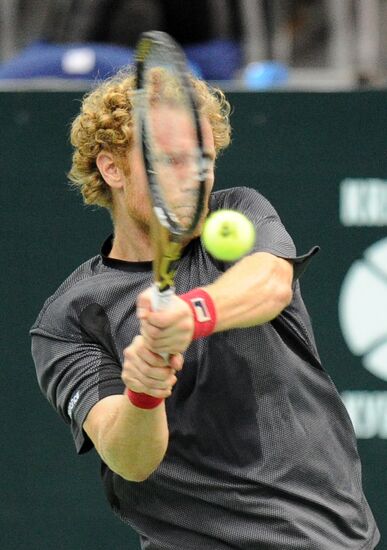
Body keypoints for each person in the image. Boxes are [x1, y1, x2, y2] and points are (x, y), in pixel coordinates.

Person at [31, 68, 380, 550]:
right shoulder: (67, 320)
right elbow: (129, 458)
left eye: (203, 161)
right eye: (170, 161)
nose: (193, 181)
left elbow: (271, 283)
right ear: (112, 168)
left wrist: (191, 315)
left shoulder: (238, 211)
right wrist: (146, 387)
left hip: (321, 537)